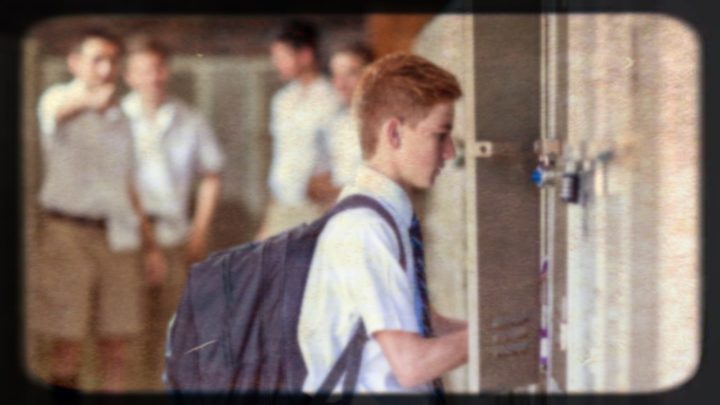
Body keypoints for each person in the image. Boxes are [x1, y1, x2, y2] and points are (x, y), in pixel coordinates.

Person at [297, 53, 468, 395]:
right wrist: (490, 339)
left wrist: (511, 330)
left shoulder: (384, 213)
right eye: (439, 135)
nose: (449, 152)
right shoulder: (365, 227)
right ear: (394, 133)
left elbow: (424, 322)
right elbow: (411, 365)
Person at [32, 28, 164, 392]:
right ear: (75, 63)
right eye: (97, 60)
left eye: (112, 61)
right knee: (66, 343)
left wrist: (150, 246)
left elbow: (129, 186)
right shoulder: (57, 97)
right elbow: (58, 114)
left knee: (117, 344)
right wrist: (91, 102)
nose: (106, 69)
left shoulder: (120, 116)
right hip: (69, 234)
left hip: (118, 237)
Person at [121, 35, 225, 388]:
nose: (154, 77)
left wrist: (198, 233)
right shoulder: (116, 118)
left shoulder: (188, 119)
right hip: (126, 239)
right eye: (145, 70)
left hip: (175, 237)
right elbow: (122, 186)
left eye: (160, 68)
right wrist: (148, 245)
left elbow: (211, 174)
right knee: (127, 334)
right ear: (129, 76)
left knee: (176, 333)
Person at [254, 19, 341, 240]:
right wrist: (268, 220)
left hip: (316, 210)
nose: (276, 63)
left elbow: (341, 158)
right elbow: (281, 160)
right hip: (282, 207)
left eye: (282, 56)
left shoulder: (332, 99)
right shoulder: (282, 101)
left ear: (305, 55)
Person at [307, 41, 375, 210]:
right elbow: (313, 185)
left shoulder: (392, 124)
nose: (341, 84)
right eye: (336, 75)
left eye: (351, 74)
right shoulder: (332, 125)